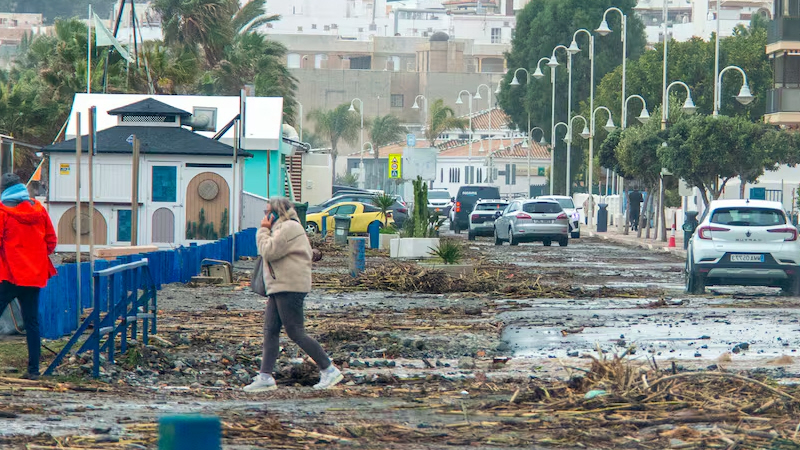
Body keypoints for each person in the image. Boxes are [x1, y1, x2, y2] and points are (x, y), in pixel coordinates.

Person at [244, 198, 342, 392]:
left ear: (277, 212)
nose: (265, 216)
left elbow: (268, 251)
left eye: (268, 212)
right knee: (270, 330)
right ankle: (265, 376)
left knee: (296, 331)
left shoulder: (288, 227)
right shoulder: (283, 228)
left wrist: (263, 230)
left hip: (290, 286)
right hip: (280, 286)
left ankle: (329, 369)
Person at [0, 173, 57, 380]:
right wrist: (35, 257)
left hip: (9, 275)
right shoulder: (39, 210)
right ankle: (34, 370)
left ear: (4, 190)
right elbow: (51, 241)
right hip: (33, 276)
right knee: (32, 323)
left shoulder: (3, 212)